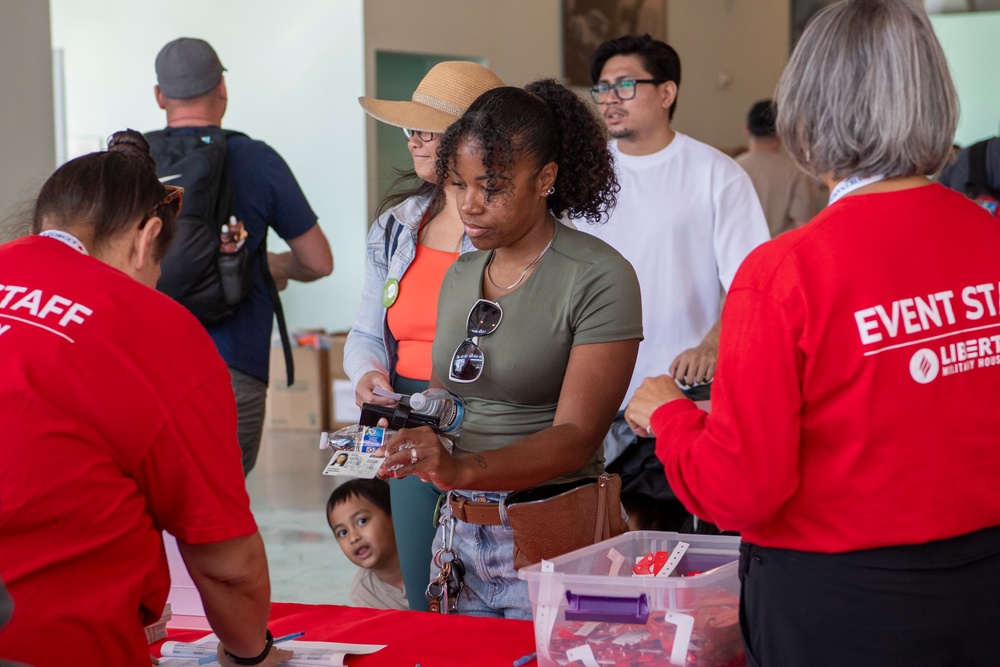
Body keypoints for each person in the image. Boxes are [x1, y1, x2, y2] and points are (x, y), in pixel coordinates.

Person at [624, 1, 1000, 664]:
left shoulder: (786, 271)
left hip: (841, 604)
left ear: (809, 108)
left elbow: (742, 490)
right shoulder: (988, 238)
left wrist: (673, 419)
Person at [0, 130, 289, 667]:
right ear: (146, 237)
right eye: (160, 265)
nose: (156, 281)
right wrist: (251, 653)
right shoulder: (155, 327)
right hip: (55, 641)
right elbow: (226, 562)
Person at [375, 79, 643, 620]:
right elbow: (447, 394)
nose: (469, 206)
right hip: (459, 534)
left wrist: (462, 469)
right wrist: (411, 429)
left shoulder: (599, 277)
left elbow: (575, 439)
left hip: (551, 535)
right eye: (457, 184)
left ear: (545, 178)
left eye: (491, 187)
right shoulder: (463, 272)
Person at [583, 34, 769, 530]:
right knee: (613, 554)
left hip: (684, 397)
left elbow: (752, 283)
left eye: (624, 84)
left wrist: (712, 343)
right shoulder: (586, 178)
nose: (609, 99)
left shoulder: (715, 174)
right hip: (601, 397)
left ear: (666, 93)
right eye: (601, 88)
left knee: (688, 552)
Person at [344, 61, 504, 611]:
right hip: (407, 420)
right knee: (422, 587)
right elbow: (368, 328)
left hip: (487, 418)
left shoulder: (510, 226)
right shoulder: (398, 225)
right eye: (409, 127)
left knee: (492, 582)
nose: (413, 139)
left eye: (427, 128)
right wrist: (368, 375)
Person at [152, 37, 333, 476]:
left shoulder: (134, 160)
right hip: (232, 370)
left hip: (146, 368)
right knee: (221, 514)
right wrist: (272, 264)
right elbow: (317, 261)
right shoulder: (256, 159)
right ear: (222, 90)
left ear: (159, 97)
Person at [735, 99, 815, 237]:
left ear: (747, 130)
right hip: (781, 254)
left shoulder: (732, 168)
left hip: (743, 255)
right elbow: (803, 227)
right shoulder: (796, 172)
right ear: (782, 131)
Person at [326, 479, 407, 610]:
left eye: (362, 521)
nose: (353, 538)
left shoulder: (431, 557)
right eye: (342, 532)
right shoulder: (364, 592)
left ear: (394, 515)